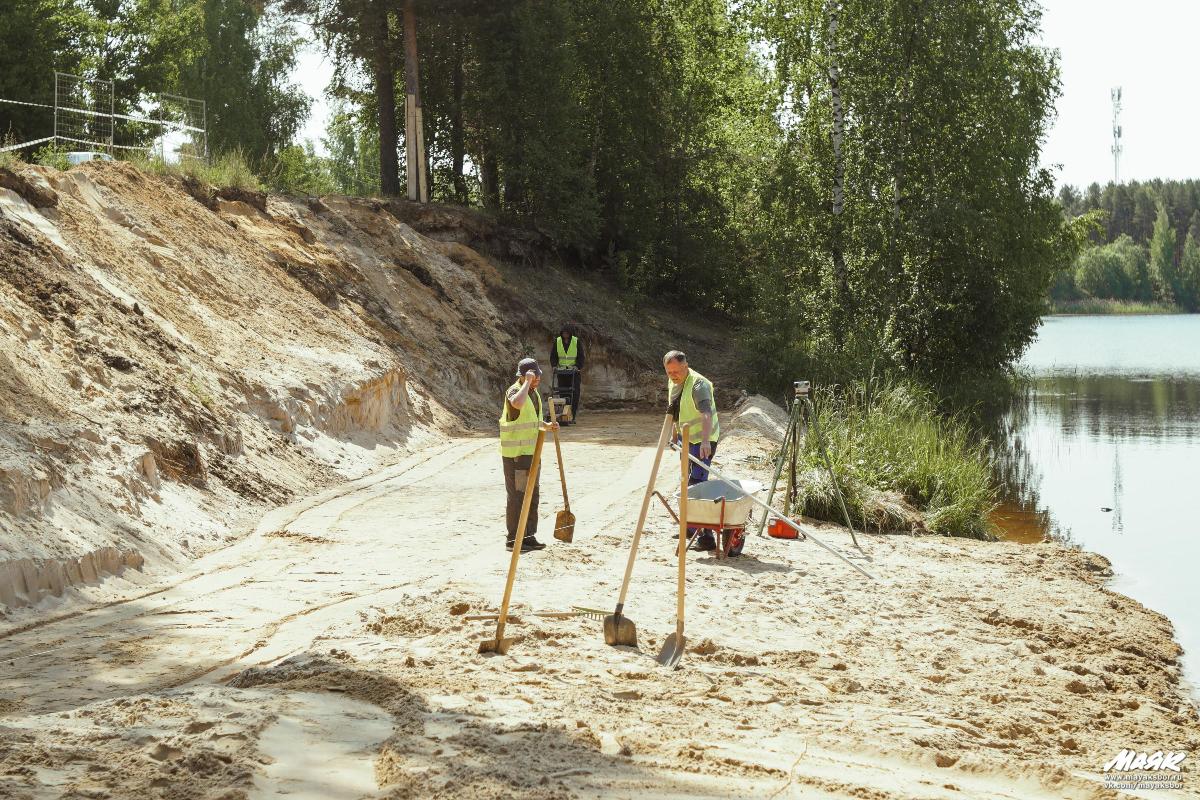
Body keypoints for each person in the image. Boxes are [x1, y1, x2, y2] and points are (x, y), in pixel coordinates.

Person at [663, 350, 740, 555]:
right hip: (687, 439)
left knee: (698, 483)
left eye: (676, 371)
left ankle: (706, 538)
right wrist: (674, 436)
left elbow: (706, 414)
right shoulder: (674, 382)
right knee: (686, 481)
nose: (673, 375)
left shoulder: (699, 385)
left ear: (686, 366)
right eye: (669, 372)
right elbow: (674, 410)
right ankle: (691, 528)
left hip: (704, 440)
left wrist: (706, 441)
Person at [500, 357, 559, 552]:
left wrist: (547, 426)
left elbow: (532, 421)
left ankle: (528, 536)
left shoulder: (533, 394)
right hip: (517, 456)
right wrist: (526, 381)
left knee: (532, 495)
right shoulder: (516, 390)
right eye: (535, 376)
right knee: (518, 496)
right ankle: (513, 539)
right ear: (526, 375)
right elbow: (516, 405)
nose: (538, 379)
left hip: (532, 453)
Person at [549, 325, 584, 423]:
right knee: (562, 393)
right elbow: (553, 355)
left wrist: (577, 366)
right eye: (563, 333)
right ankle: (563, 414)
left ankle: (572, 415)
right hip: (562, 372)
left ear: (570, 333)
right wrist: (554, 366)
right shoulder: (558, 341)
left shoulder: (576, 341)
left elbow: (581, 356)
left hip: (574, 372)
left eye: (567, 333)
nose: (565, 335)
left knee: (575, 393)